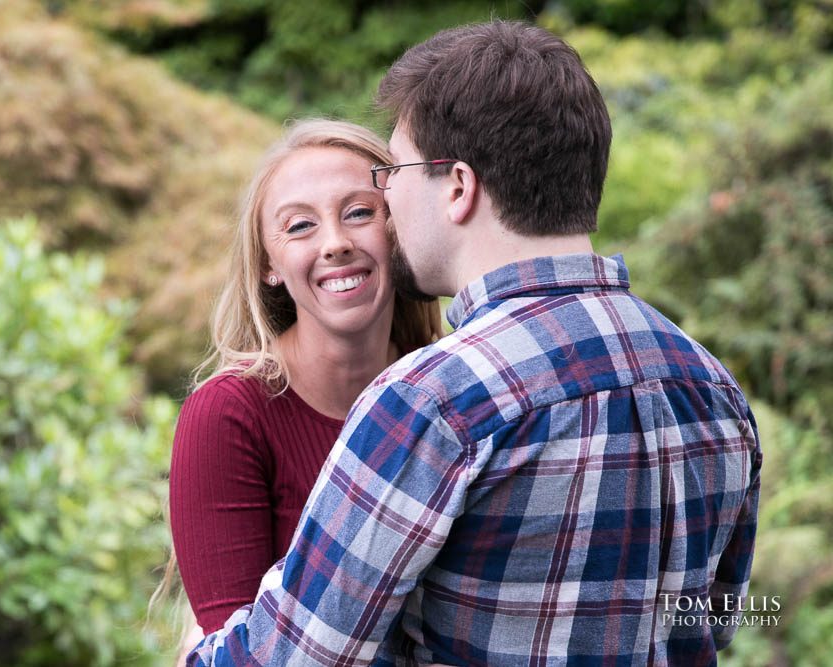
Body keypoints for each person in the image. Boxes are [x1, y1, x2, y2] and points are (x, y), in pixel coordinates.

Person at [188, 20, 762, 666]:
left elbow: (286, 659)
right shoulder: (713, 387)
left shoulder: (433, 401)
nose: (387, 196)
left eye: (394, 171)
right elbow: (710, 619)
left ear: (458, 187)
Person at [167, 119, 442, 643]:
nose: (335, 243)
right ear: (270, 264)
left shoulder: (449, 393)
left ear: (399, 225)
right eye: (299, 226)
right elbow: (237, 648)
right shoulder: (231, 414)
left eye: (359, 213)